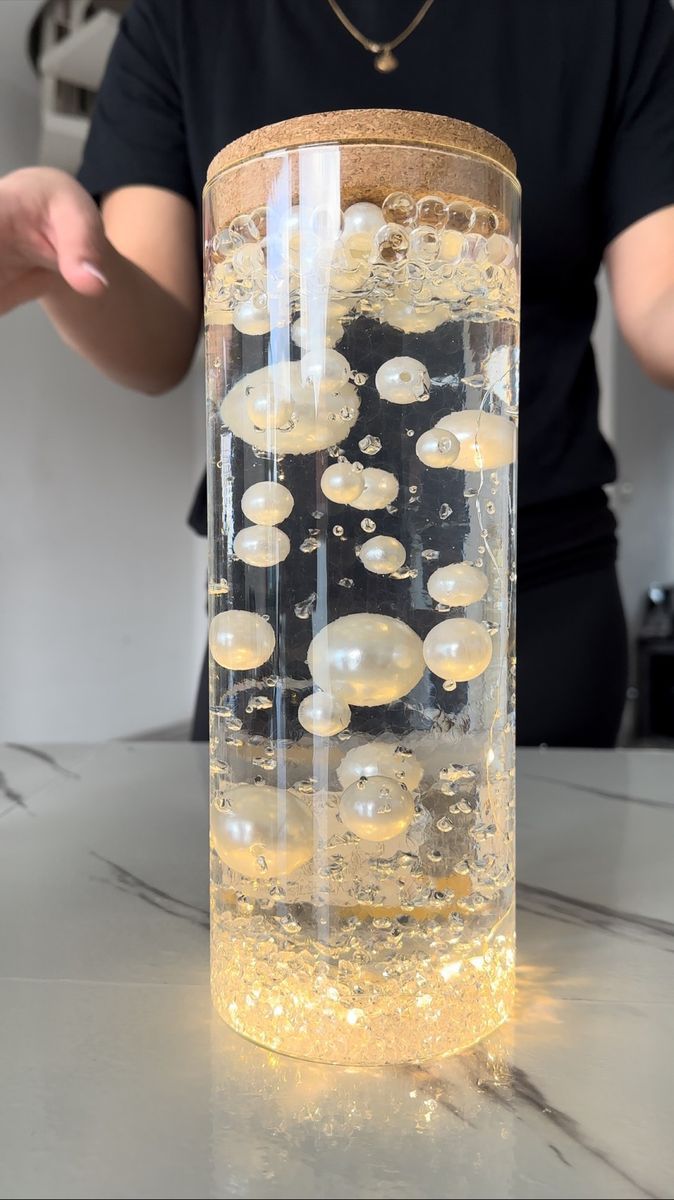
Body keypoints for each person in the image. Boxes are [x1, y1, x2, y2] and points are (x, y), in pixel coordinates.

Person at [1, 0, 673, 746]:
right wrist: (58, 267)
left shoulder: (615, 16)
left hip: (526, 577)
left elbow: (660, 319)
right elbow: (153, 338)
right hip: (276, 582)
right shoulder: (181, 19)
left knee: (519, 858)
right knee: (269, 850)